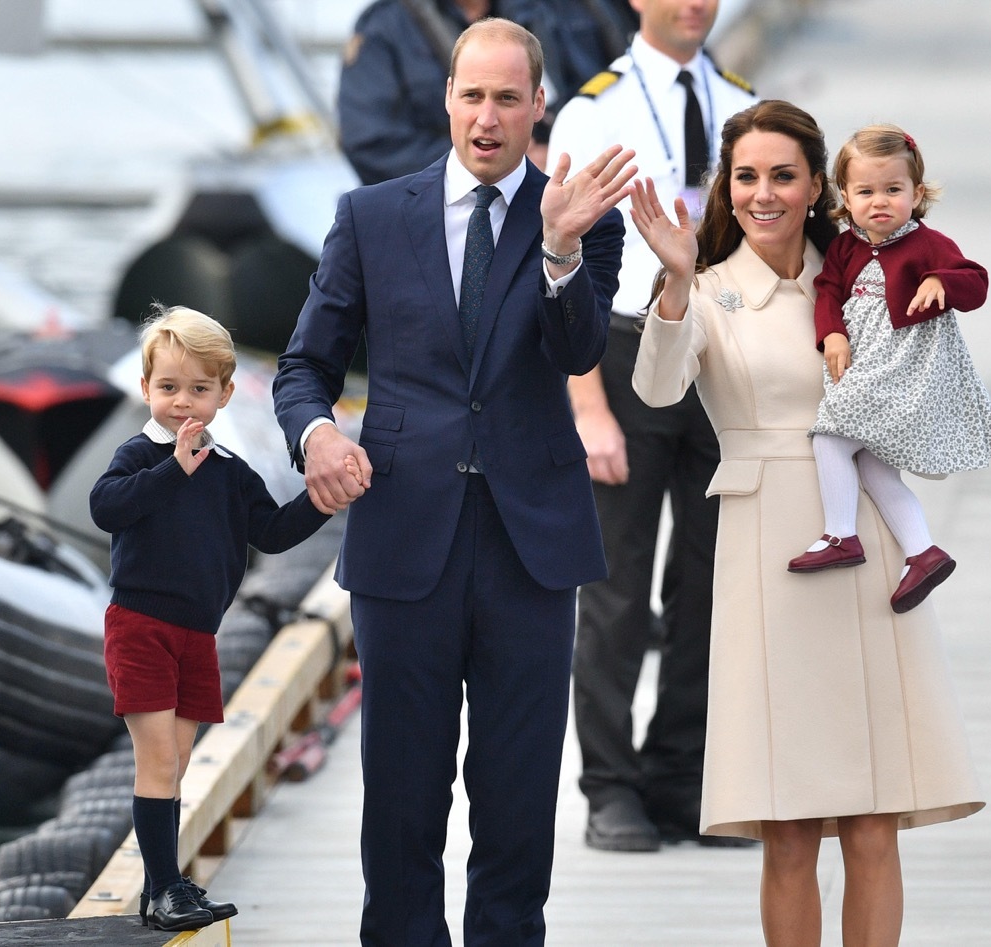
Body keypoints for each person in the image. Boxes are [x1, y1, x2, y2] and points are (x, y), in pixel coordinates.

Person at [273, 18, 635, 945]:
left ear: (538, 106)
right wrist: (315, 435)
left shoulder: (582, 213)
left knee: (516, 792)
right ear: (446, 100)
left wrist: (558, 249)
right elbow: (304, 365)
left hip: (531, 542)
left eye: (508, 98)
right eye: (472, 95)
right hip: (405, 537)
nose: (488, 117)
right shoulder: (370, 216)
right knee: (402, 787)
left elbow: (581, 347)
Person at [628, 99, 984, 945]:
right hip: (767, 555)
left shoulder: (864, 270)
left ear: (815, 183)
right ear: (726, 185)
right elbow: (656, 390)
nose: (764, 193)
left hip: (866, 540)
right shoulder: (708, 288)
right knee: (786, 825)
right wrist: (675, 281)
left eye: (783, 175)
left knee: (872, 818)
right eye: (746, 175)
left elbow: (930, 355)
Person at [546, 0, 755, 853]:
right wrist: (587, 405)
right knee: (617, 589)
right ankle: (610, 785)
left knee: (711, 584)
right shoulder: (596, 105)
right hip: (628, 347)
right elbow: (561, 262)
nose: (693, 4)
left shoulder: (745, 99)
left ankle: (682, 773)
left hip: (720, 348)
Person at [89, 305, 334, 933]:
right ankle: (163, 888)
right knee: (159, 761)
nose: (183, 402)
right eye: (168, 388)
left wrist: (322, 499)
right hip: (140, 626)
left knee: (180, 759)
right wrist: (174, 467)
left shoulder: (229, 471)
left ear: (226, 394)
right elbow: (106, 508)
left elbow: (273, 533)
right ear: (146, 389)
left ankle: (165, 883)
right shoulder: (140, 457)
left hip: (198, 634)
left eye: (200, 389)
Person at [786, 123, 991, 614]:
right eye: (866, 191)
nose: (880, 202)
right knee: (871, 463)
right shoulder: (845, 248)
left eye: (894, 190)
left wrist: (941, 281)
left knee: (830, 437)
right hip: (864, 361)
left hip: (902, 371)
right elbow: (828, 291)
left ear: (917, 193)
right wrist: (833, 334)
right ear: (845, 196)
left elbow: (976, 281)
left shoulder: (927, 243)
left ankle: (841, 534)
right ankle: (922, 552)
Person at [336, 0, 628, 184]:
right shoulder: (385, 29)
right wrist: (499, 164)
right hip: (450, 218)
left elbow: (611, 94)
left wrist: (562, 155)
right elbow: (371, 144)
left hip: (569, 190)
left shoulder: (553, 10)